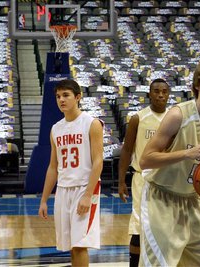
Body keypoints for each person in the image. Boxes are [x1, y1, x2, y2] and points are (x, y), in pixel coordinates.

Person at [139, 59, 200, 266]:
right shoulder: (178, 115)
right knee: (160, 263)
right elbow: (145, 160)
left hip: (193, 200)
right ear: (197, 85)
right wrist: (187, 153)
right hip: (162, 198)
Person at [38, 79, 104, 266]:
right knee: (71, 246)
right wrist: (44, 200)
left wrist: (88, 195)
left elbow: (98, 161)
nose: (61, 100)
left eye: (66, 95)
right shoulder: (56, 129)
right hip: (63, 189)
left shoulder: (92, 123)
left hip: (85, 188)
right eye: (58, 96)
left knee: (81, 244)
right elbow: (53, 166)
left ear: (78, 97)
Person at [118, 78, 170, 267]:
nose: (160, 95)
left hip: (167, 180)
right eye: (156, 91)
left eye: (164, 91)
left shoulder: (174, 118)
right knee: (139, 228)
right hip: (143, 178)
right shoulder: (138, 118)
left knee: (166, 229)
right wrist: (121, 180)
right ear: (149, 94)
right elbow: (126, 150)